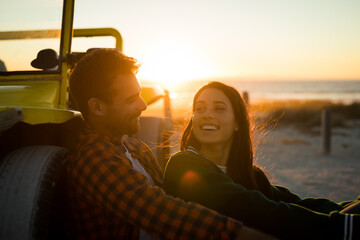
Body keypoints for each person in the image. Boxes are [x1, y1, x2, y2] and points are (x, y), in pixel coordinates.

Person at [64, 48, 276, 240]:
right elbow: (161, 212)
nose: (143, 105)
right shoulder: (94, 159)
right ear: (98, 108)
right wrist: (240, 234)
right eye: (130, 100)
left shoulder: (135, 148)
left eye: (139, 95)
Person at [163, 81, 360, 240]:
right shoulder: (183, 165)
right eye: (200, 108)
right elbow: (260, 211)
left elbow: (292, 202)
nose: (207, 115)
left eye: (219, 108)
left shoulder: (248, 174)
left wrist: (348, 208)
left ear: (237, 124)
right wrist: (343, 227)